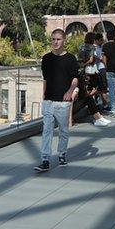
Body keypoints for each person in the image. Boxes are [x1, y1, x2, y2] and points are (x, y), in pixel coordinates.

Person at [37, 29, 79, 172]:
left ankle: (62, 154)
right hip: (48, 101)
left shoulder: (71, 59)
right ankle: (45, 160)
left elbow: (75, 78)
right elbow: (46, 79)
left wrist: (70, 92)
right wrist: (44, 96)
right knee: (46, 131)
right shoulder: (46, 58)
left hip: (63, 101)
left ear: (64, 40)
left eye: (58, 39)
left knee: (63, 130)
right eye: (53, 39)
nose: (55, 42)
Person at [92, 33, 110, 111]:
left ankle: (104, 104)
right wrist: (101, 59)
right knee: (101, 88)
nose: (102, 41)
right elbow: (94, 56)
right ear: (96, 40)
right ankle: (102, 103)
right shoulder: (93, 48)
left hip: (101, 68)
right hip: (96, 69)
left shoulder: (101, 47)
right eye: (100, 40)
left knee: (103, 87)